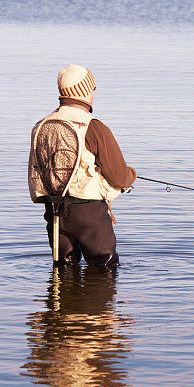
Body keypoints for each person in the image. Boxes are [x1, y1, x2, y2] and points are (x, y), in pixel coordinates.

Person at [28, 64, 136, 267]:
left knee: (63, 271)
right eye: (92, 90)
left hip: (54, 211)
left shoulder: (41, 125)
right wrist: (131, 175)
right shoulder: (94, 126)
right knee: (105, 270)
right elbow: (119, 176)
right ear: (85, 91)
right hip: (89, 214)